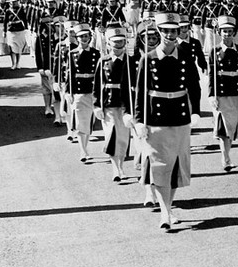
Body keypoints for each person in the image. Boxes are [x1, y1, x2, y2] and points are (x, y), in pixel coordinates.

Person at [134, 12, 201, 231]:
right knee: (161, 166)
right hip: (157, 119)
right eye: (166, 31)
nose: (170, 35)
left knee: (175, 167)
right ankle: (164, 211)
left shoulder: (185, 55)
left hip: (180, 118)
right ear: (159, 32)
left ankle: (169, 207)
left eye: (174, 31)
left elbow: (194, 85)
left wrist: (196, 111)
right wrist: (139, 121)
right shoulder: (148, 58)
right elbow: (140, 93)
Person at [207, 15, 238, 172]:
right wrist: (211, 95)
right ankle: (225, 159)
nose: (227, 34)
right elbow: (211, 74)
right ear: (219, 32)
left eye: (230, 31)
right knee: (223, 127)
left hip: (236, 92)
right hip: (221, 92)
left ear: (235, 33)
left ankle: (227, 154)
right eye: (224, 31)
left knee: (232, 126)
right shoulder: (214, 51)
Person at [93, 27, 135, 183]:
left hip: (125, 104)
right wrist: (96, 105)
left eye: (121, 41)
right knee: (111, 136)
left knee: (123, 138)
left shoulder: (131, 61)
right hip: (108, 103)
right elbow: (96, 85)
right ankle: (115, 169)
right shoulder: (103, 61)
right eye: (115, 42)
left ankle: (122, 167)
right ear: (109, 43)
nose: (118, 45)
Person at [66, 23, 102, 162]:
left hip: (92, 91)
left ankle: (85, 146)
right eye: (81, 37)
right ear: (77, 38)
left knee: (89, 123)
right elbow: (69, 74)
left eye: (86, 36)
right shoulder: (72, 54)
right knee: (82, 123)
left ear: (90, 37)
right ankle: (83, 151)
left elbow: (99, 75)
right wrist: (69, 92)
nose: (84, 39)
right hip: (79, 92)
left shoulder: (96, 53)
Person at [34, 9, 59, 118]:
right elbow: (38, 53)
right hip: (46, 65)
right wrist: (40, 67)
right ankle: (48, 107)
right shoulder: (41, 38)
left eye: (51, 23)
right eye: (47, 23)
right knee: (46, 88)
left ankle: (58, 108)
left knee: (57, 88)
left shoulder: (58, 35)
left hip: (56, 65)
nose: (50, 25)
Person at [4, 0, 28, 70]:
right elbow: (5, 21)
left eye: (15, 1)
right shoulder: (8, 11)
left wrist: (26, 29)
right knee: (11, 47)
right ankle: (13, 63)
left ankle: (17, 63)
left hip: (20, 30)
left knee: (19, 48)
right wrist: (4, 31)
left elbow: (24, 19)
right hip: (11, 31)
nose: (14, 3)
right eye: (12, 2)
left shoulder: (21, 9)